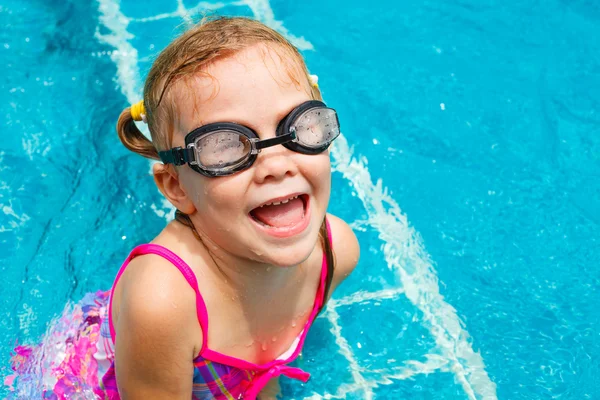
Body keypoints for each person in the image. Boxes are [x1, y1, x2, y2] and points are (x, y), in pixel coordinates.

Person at [7, 16, 359, 400]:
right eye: (225, 146)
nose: (277, 165)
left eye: (299, 126)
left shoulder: (336, 251)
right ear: (176, 186)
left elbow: (267, 367)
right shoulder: (163, 304)